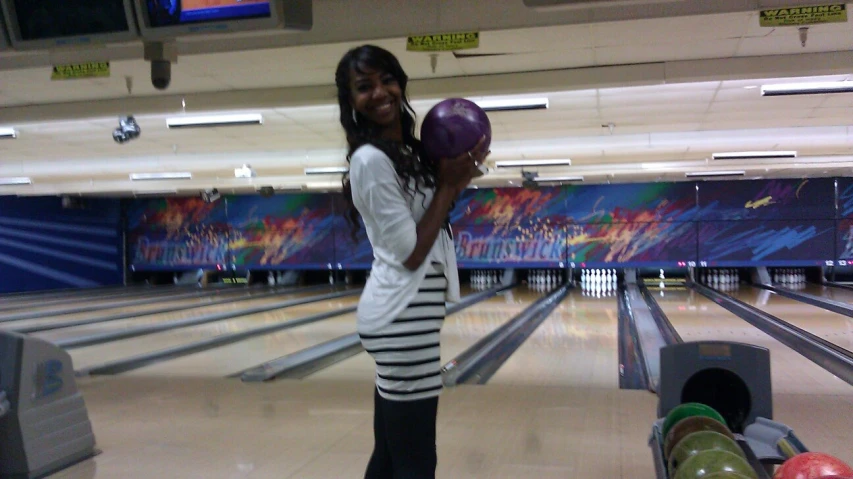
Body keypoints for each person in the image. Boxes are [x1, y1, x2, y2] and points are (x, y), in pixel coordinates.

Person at [335, 44, 489, 478]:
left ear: (400, 83)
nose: (379, 92)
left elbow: (432, 216)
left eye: (387, 80)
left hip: (407, 316)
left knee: (389, 456)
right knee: (418, 461)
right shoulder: (370, 161)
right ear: (351, 101)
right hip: (402, 319)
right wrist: (447, 187)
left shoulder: (409, 153)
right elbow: (410, 253)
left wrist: (454, 176)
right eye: (364, 87)